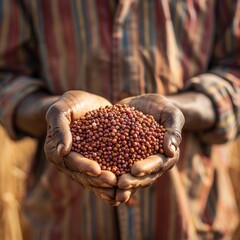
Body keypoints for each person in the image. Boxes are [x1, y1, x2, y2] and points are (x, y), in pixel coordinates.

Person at [0, 0, 239, 239]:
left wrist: (182, 110)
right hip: (66, 219)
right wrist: (51, 112)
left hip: (190, 213)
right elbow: (6, 77)